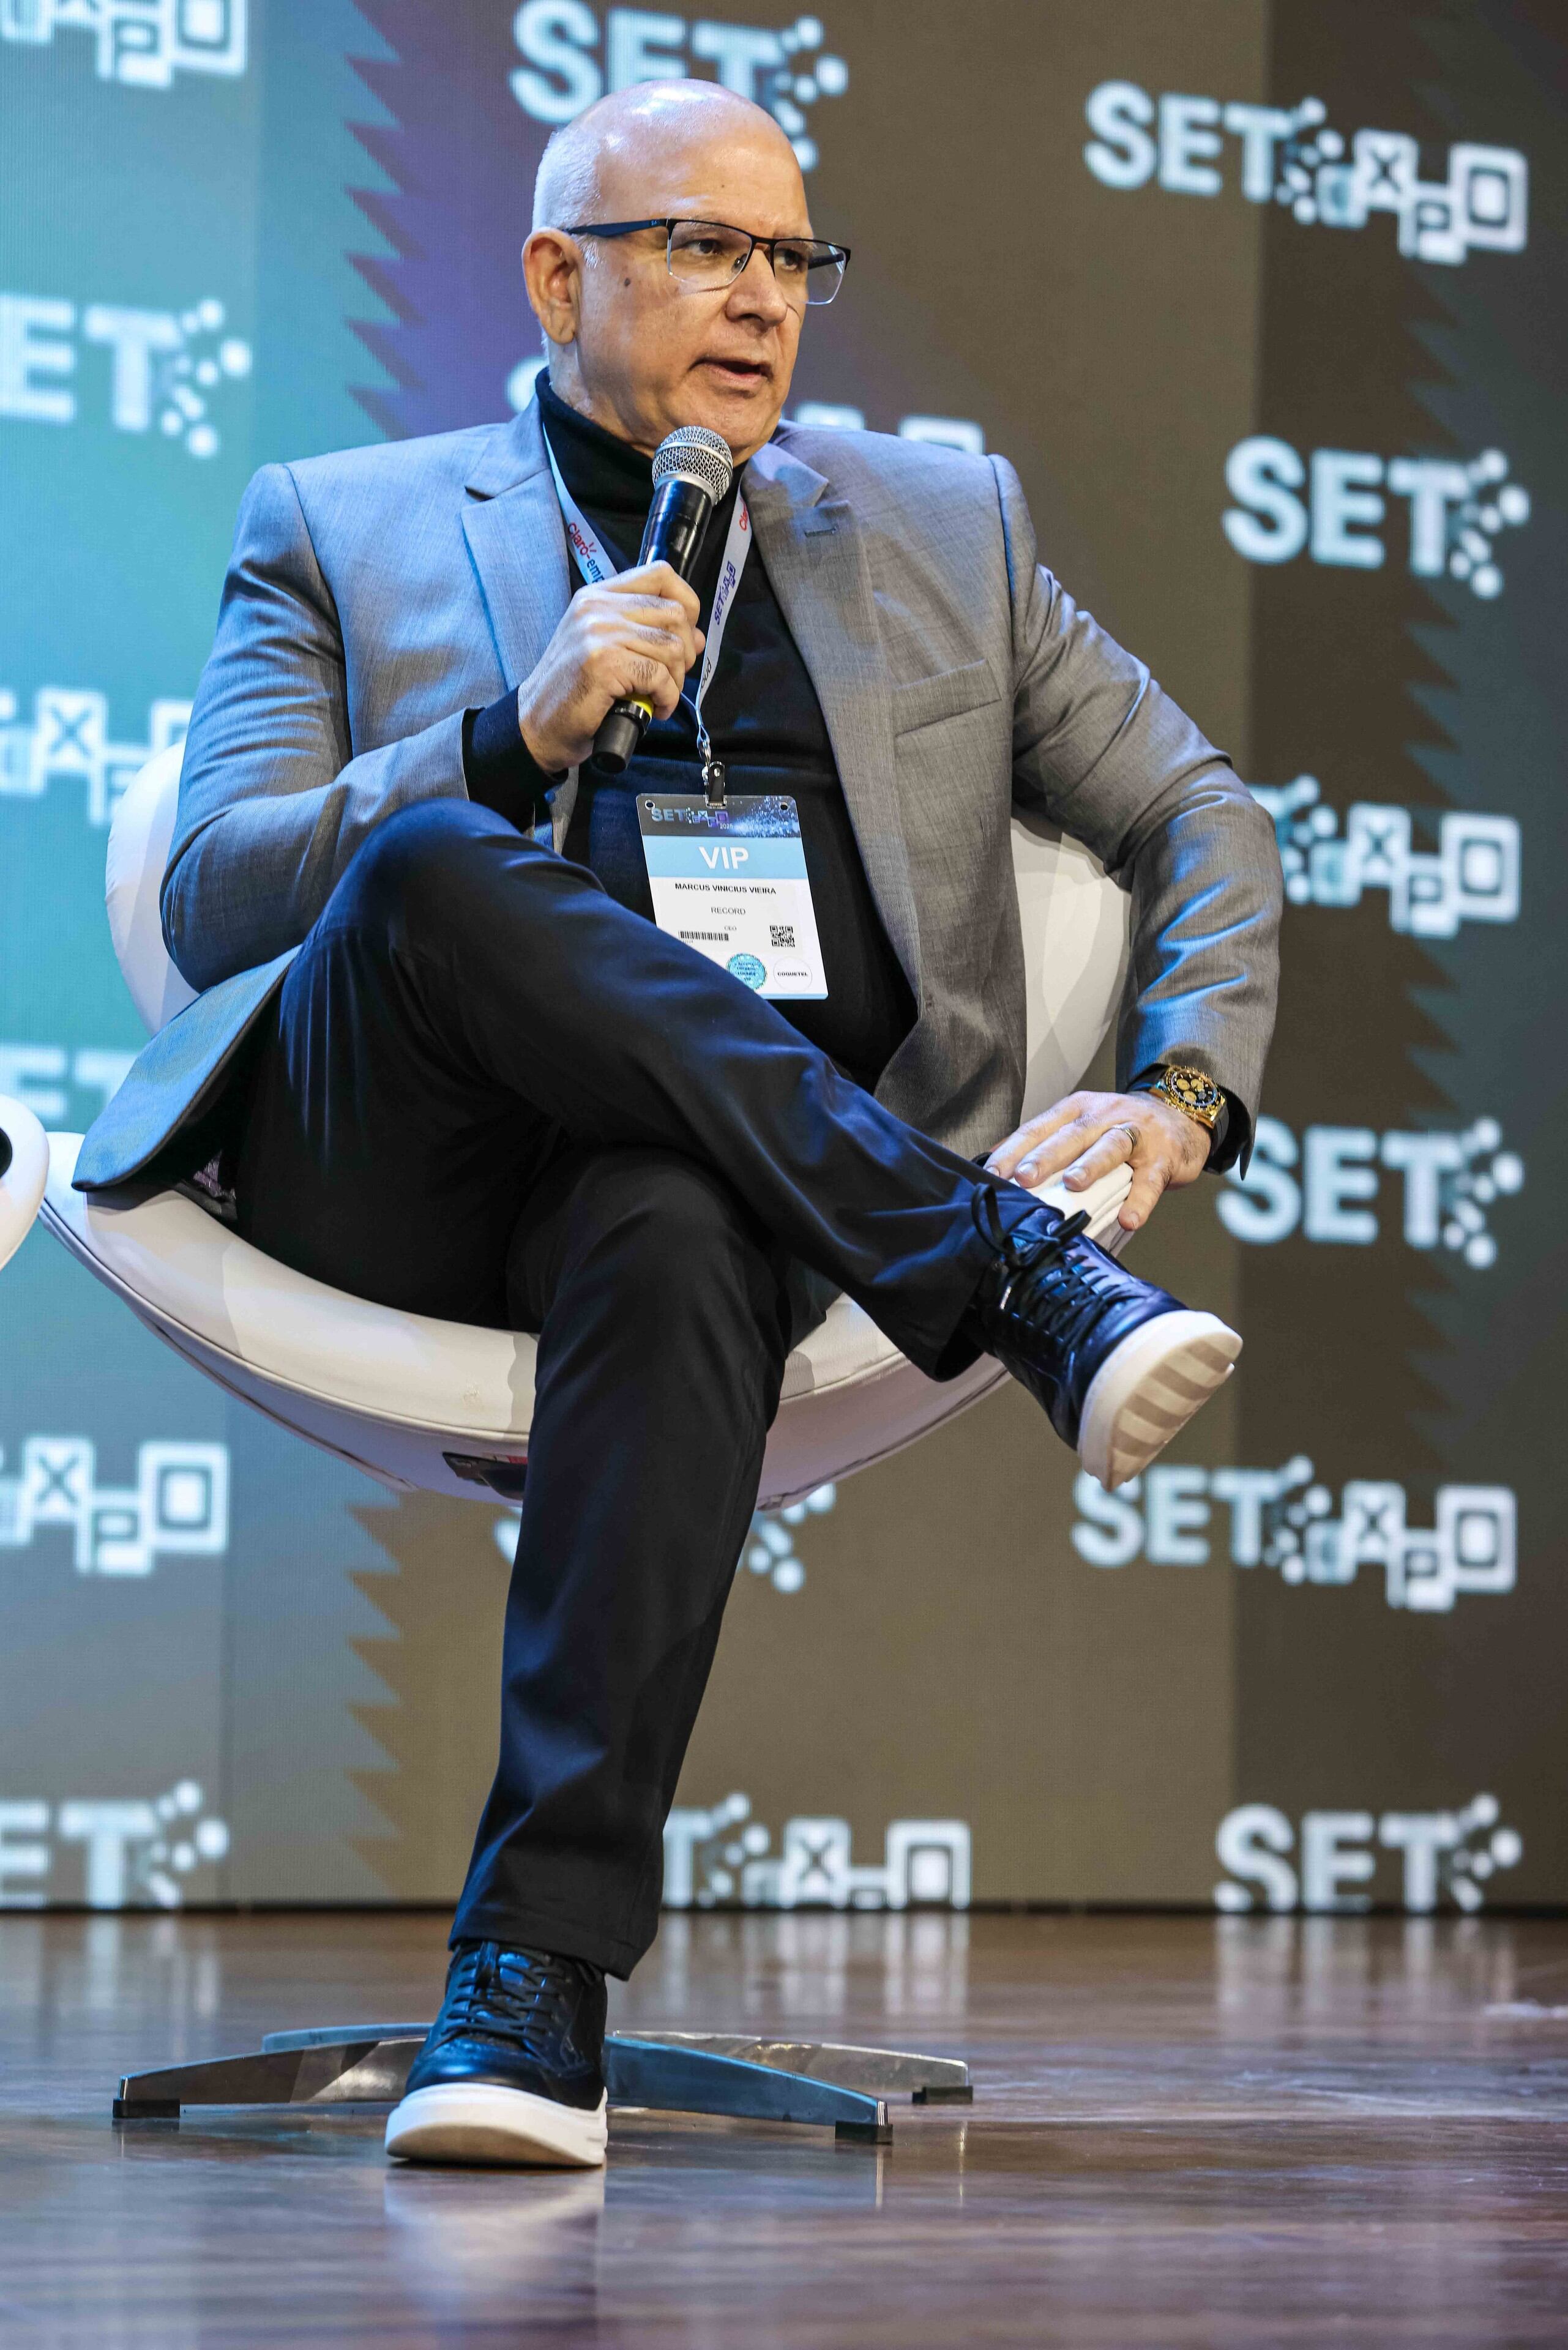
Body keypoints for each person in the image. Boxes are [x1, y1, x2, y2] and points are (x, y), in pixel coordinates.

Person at [75, 80, 1281, 2169]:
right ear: (559, 277)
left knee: (677, 1211)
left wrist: (1182, 1093)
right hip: (409, 1166)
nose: (761, 299)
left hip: (746, 1185)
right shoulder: (340, 521)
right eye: (702, 248)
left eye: (791, 258)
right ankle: (1004, 1271)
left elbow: (1199, 810)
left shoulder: (940, 526)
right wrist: (505, 732)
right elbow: (216, 896)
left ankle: (529, 1983)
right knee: (435, 862)